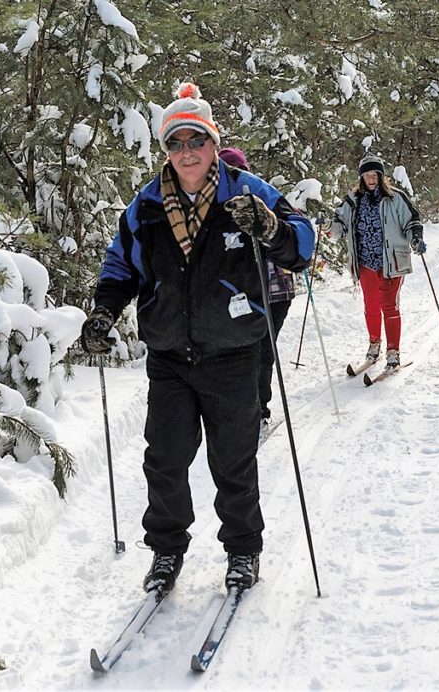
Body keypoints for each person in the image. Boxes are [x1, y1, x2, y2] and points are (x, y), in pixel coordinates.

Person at [78, 84, 314, 597]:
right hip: (169, 355)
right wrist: (103, 311)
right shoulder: (145, 207)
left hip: (233, 351)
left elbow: (302, 242)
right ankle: (166, 552)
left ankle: (243, 550)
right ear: (165, 149)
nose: (186, 152)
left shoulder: (245, 192)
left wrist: (271, 227)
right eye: (175, 142)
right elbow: (121, 265)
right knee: (164, 457)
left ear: (212, 143)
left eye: (196, 140)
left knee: (232, 458)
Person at [217, 146, 297, 425]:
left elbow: (293, 230)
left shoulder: (263, 199)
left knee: (263, 350)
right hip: (243, 295)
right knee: (244, 351)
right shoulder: (220, 210)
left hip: (276, 291)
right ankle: (243, 404)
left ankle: (259, 406)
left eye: (236, 172)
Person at [324, 151, 424, 369]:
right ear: (361, 177)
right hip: (366, 262)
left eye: (375, 174)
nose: (371, 178)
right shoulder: (353, 200)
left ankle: (393, 351)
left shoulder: (395, 198)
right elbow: (339, 227)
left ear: (381, 176)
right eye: (367, 174)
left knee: (389, 306)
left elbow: (412, 221)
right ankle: (374, 344)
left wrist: (416, 239)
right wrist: (326, 226)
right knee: (371, 306)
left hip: (392, 261)